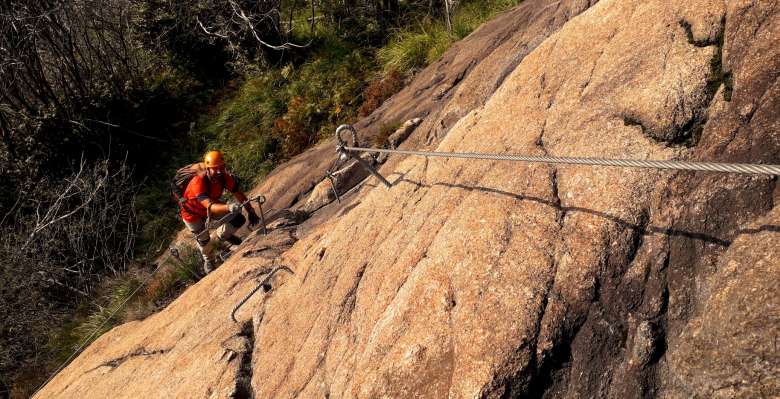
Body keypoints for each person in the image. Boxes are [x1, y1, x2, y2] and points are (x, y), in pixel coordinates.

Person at [180, 150, 260, 274]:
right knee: (204, 241)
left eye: (221, 168)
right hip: (192, 213)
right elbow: (209, 206)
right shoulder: (198, 182)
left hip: (212, 206)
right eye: (215, 168)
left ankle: (221, 236)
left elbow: (238, 193)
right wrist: (228, 207)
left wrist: (251, 210)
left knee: (238, 219)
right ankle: (209, 261)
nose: (218, 171)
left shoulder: (224, 177)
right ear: (207, 169)